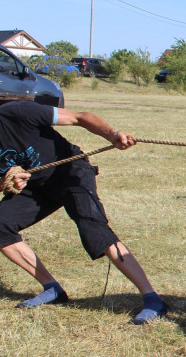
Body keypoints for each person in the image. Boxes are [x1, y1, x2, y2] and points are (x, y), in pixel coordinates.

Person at [0, 102, 167, 324]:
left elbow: (79, 117)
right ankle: (52, 289)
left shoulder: (16, 113)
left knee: (93, 229)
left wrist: (112, 134)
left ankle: (152, 298)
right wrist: (6, 182)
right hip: (36, 188)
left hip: (70, 172)